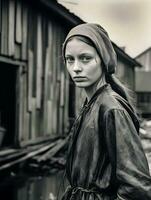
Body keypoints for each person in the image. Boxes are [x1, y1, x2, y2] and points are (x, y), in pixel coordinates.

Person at [61, 23, 151, 200]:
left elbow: (138, 188)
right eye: (70, 59)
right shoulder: (91, 103)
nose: (76, 67)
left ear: (104, 60)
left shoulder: (112, 109)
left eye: (85, 58)